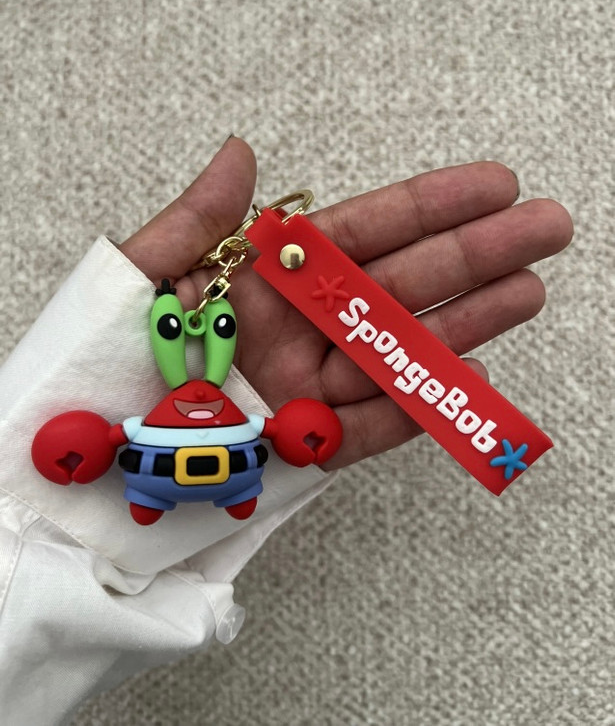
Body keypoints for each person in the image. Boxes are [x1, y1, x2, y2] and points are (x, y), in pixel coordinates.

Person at [0, 137, 573, 725]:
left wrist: (32, 502)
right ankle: (175, 497)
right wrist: (41, 499)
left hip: (189, 479)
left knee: (190, 490)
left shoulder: (171, 423)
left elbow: (275, 432)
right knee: (181, 492)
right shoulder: (178, 423)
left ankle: (179, 497)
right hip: (178, 481)